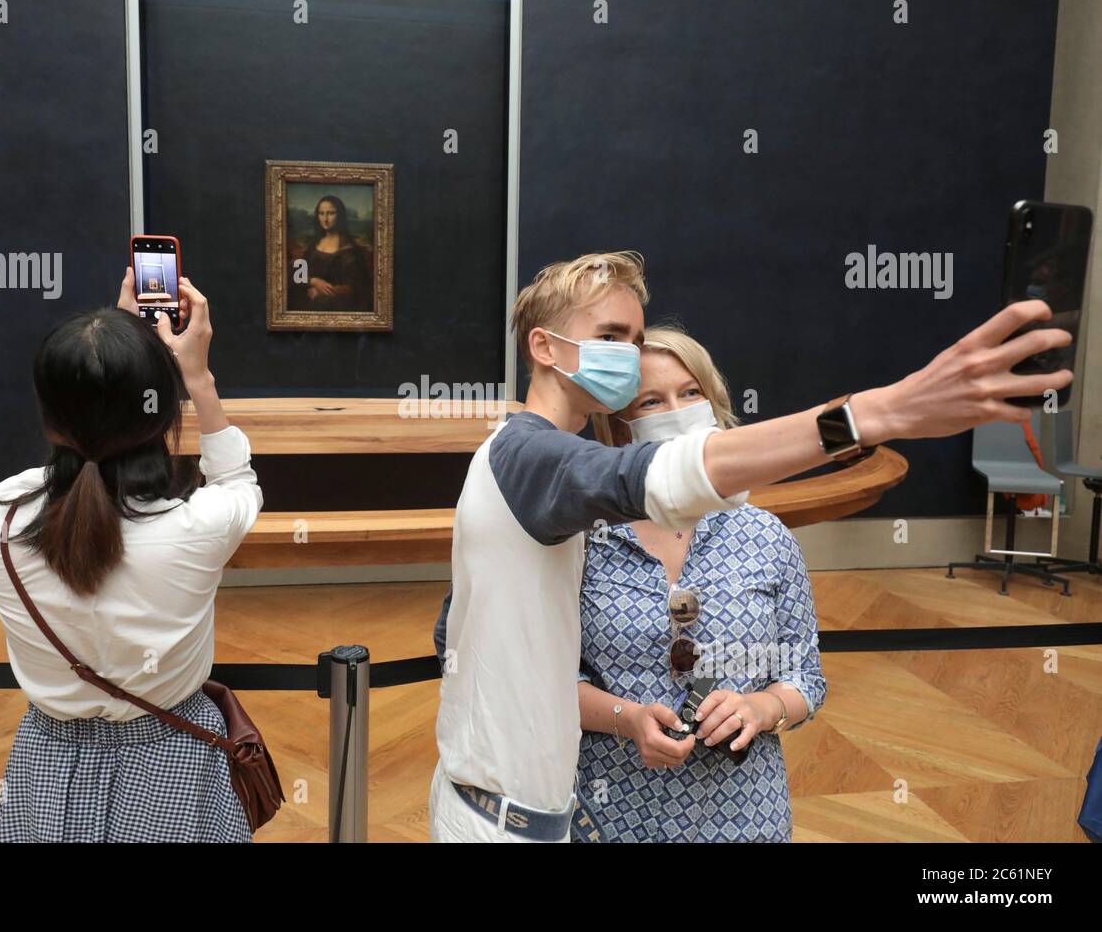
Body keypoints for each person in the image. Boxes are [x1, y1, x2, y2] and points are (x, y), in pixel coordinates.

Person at [431, 250, 1071, 843]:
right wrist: (874, 414)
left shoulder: (565, 483)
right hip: (507, 818)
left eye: (633, 337)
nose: (626, 357)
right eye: (609, 338)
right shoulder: (527, 453)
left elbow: (464, 629)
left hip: (560, 812)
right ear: (543, 346)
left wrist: (764, 705)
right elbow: (652, 477)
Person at [0, 268, 263, 842]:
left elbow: (73, 462)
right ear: (159, 416)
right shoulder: (200, 525)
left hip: (46, 763)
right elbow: (237, 480)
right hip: (173, 758)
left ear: (48, 415)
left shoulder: (0, 514)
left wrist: (108, 362)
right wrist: (195, 375)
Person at [576, 325, 824, 842]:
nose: (677, 410)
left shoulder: (766, 536)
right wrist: (627, 717)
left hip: (745, 818)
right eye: (651, 401)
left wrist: (762, 707)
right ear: (620, 429)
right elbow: (545, 683)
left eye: (691, 393)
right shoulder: (582, 543)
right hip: (612, 816)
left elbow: (806, 677)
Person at [287, 194, 374, 311]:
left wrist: (321, 293)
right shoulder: (312, 244)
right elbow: (297, 274)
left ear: (340, 216)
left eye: (331, 213)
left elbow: (357, 289)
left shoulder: (350, 251)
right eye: (321, 213)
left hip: (335, 306)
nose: (325, 219)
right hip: (306, 301)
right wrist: (313, 282)